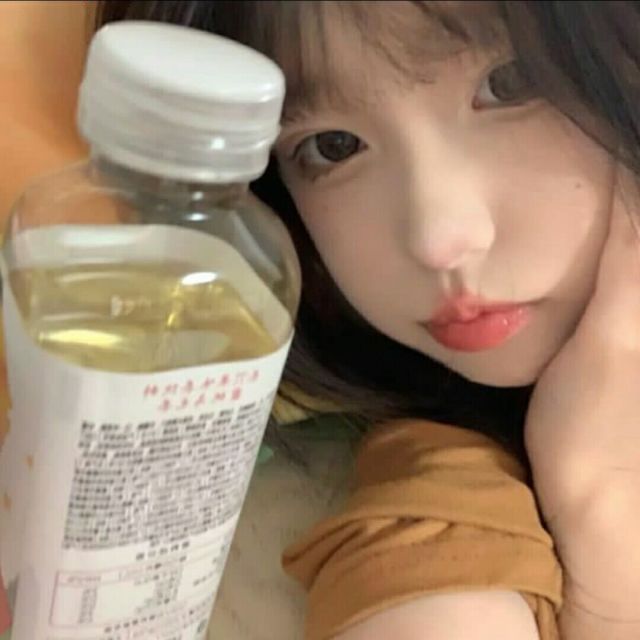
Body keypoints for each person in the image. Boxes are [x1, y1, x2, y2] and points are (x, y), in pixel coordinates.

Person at [2, 1, 640, 639]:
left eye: (509, 84)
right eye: (332, 148)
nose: (438, 238)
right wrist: (600, 509)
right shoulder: (448, 500)